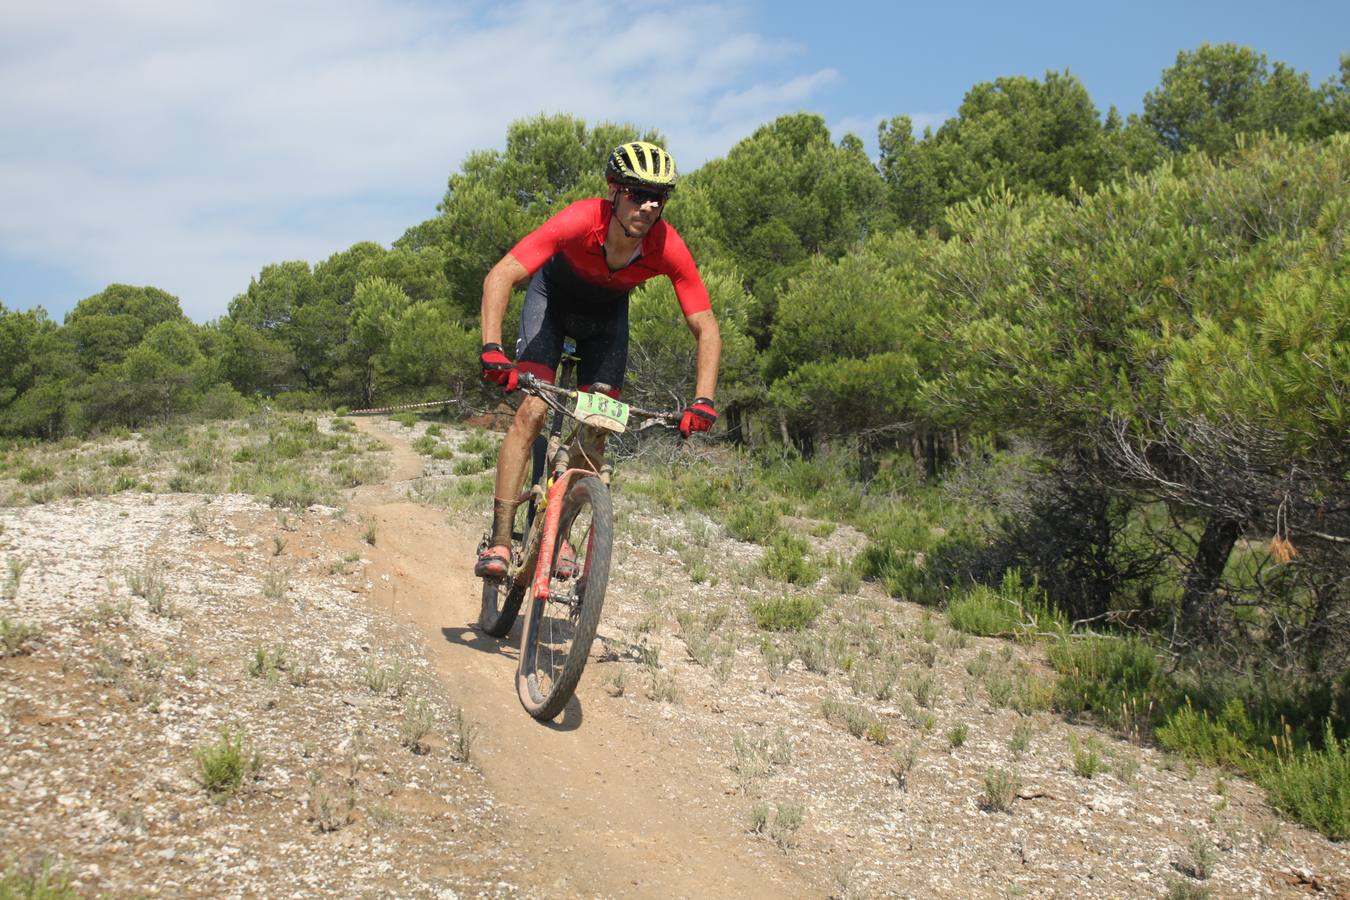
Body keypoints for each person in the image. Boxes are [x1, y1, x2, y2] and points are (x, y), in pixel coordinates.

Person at [474, 141, 722, 578]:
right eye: (635, 193)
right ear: (614, 191)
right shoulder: (581, 219)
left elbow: (705, 325)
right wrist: (492, 348)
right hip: (551, 302)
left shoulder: (667, 245)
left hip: (606, 319)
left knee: (597, 429)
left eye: (657, 197)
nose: (646, 206)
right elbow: (502, 275)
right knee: (532, 409)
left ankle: (560, 531)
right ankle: (498, 540)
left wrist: (703, 399)